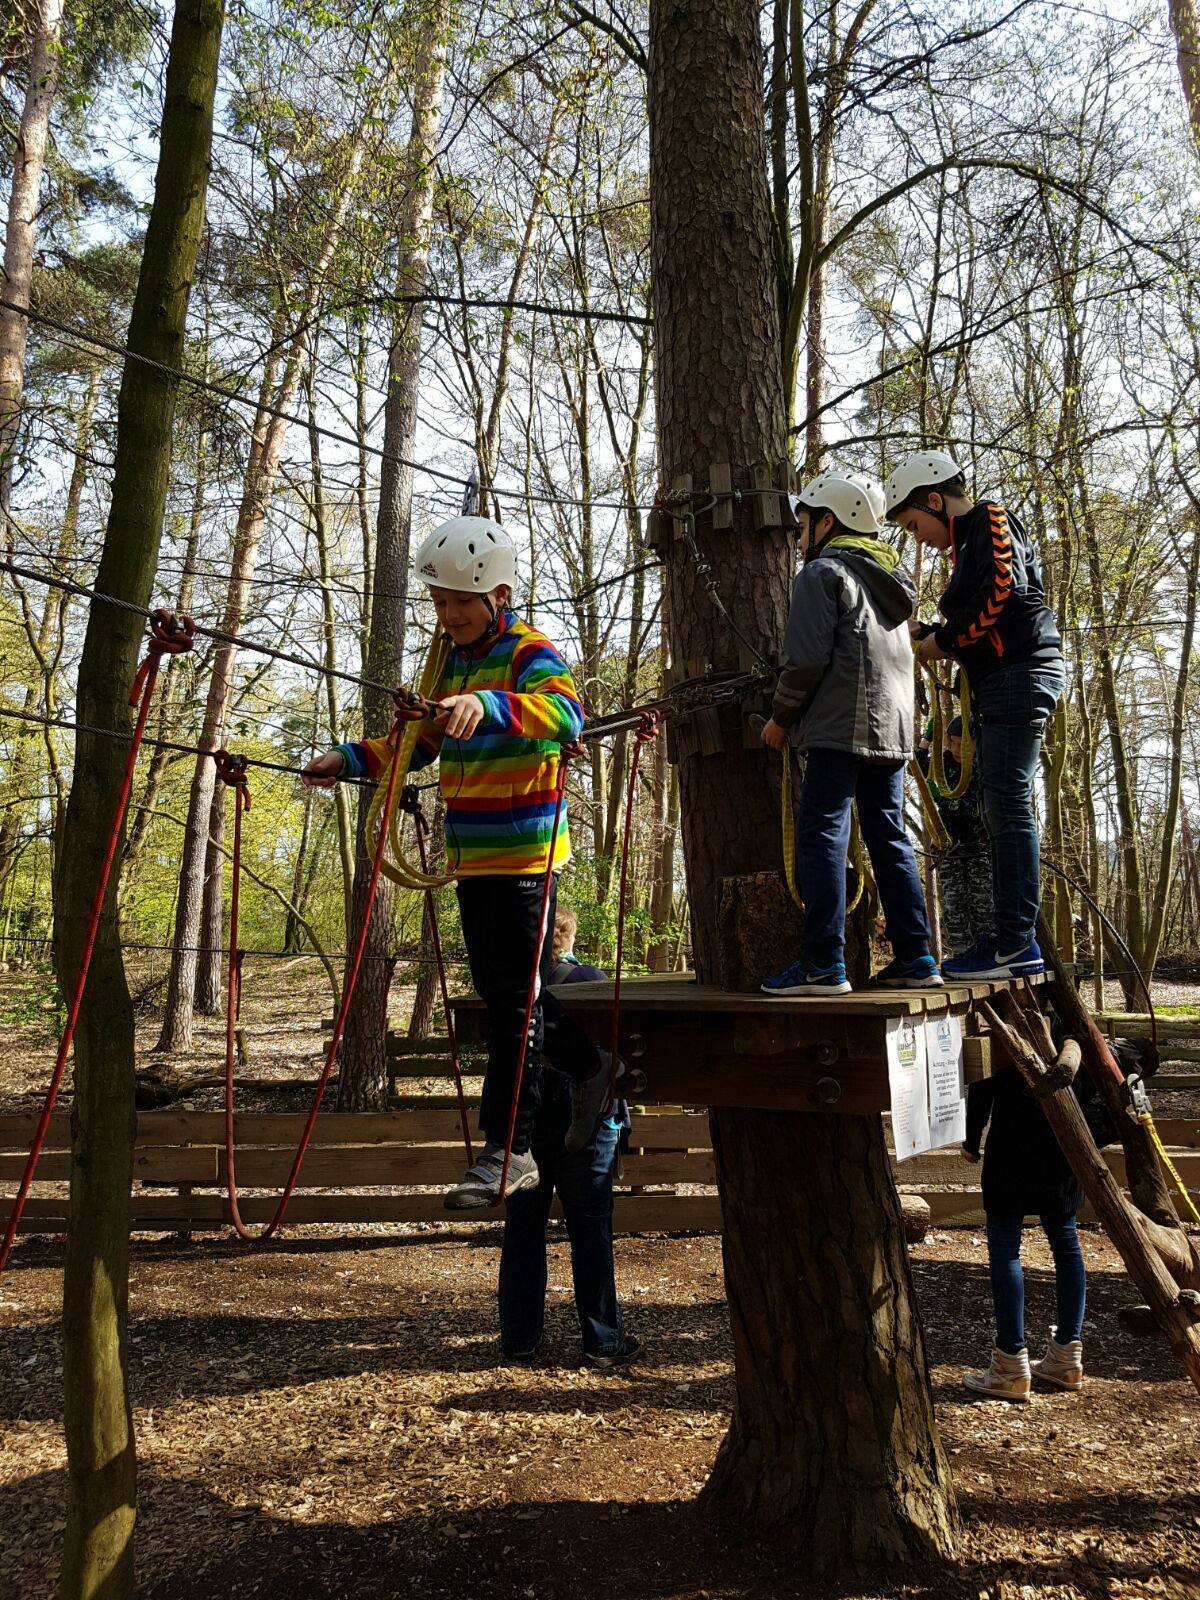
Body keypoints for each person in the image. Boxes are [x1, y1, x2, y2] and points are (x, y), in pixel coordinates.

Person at [303, 513, 619, 1209]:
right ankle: (593, 1065)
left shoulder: (529, 652)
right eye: (439, 603)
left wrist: (489, 703)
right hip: (474, 857)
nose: (448, 615)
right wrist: (347, 760)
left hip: (528, 854)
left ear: (497, 596)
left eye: (460, 603)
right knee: (505, 991)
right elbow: (410, 746)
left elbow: (567, 716)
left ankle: (507, 1154)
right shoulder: (446, 663)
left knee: (516, 1004)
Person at [759, 469, 941, 996]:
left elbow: (806, 660)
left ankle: (823, 966)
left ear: (828, 522)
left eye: (803, 525)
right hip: (892, 734)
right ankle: (917, 956)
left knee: (823, 836)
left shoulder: (822, 575)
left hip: (840, 729)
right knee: (890, 839)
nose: (798, 537)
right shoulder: (891, 587)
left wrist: (781, 719)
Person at [885, 451, 1065, 979]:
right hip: (1005, 680)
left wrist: (941, 641)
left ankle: (1013, 942)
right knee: (1001, 806)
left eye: (916, 524)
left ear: (935, 500)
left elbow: (1001, 594)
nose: (919, 538)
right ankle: (1009, 937)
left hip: (1019, 675)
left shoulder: (988, 518)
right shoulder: (969, 544)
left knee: (1008, 807)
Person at [499, 904, 638, 1368]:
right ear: (569, 937)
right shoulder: (590, 980)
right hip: (585, 1118)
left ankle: (519, 1336)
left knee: (524, 1227)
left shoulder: (516, 989)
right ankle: (602, 1338)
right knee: (590, 1224)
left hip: (529, 1119)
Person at [960, 1066, 1087, 1400]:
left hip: (1011, 1148)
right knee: (1066, 1241)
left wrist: (972, 1139)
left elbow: (984, 1077)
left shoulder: (999, 1016)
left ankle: (1010, 1364)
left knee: (1005, 1248)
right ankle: (1067, 1357)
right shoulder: (1065, 1022)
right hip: (1061, 1145)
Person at [917, 713, 994, 957]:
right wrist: (927, 739)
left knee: (982, 903)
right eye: (955, 742)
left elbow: (969, 802)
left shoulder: (982, 765)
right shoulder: (941, 765)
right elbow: (917, 765)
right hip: (948, 848)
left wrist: (952, 801)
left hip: (978, 846)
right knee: (954, 904)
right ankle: (961, 954)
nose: (960, 749)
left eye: (966, 743)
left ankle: (985, 952)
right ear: (948, 742)